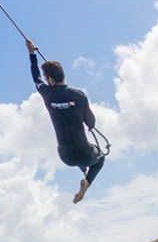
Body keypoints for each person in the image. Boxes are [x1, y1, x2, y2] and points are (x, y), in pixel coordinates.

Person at [26, 38, 105, 204]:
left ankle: (83, 171)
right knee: (100, 158)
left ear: (51, 80)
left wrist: (32, 53)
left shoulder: (47, 94)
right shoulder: (79, 95)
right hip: (84, 153)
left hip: (66, 156)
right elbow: (91, 123)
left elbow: (36, 78)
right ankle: (87, 181)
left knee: (73, 150)